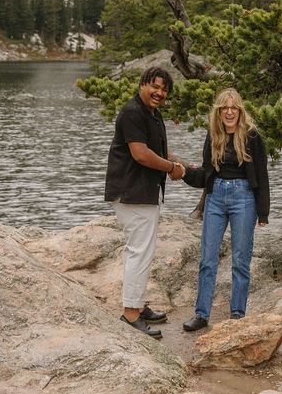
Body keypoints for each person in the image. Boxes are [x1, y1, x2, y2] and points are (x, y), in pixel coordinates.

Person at [104, 66, 188, 339]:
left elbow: (160, 152)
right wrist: (170, 168)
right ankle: (130, 315)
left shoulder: (152, 114)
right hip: (132, 192)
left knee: (143, 251)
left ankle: (138, 305)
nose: (160, 93)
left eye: (164, 89)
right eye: (155, 86)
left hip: (145, 193)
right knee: (138, 252)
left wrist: (182, 165)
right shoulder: (132, 112)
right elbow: (140, 154)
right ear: (142, 84)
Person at [180, 88, 269, 331]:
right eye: (224, 108)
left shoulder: (252, 137)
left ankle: (237, 315)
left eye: (233, 108)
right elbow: (206, 174)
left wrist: (263, 213)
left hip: (244, 198)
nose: (229, 112)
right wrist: (184, 172)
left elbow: (262, 174)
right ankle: (201, 314)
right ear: (218, 112)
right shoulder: (213, 135)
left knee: (240, 260)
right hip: (216, 197)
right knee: (207, 259)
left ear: (240, 111)